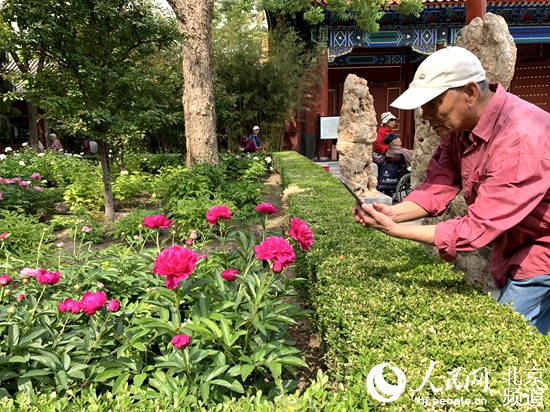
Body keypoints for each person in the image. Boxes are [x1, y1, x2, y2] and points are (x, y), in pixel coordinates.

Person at [353, 46, 550, 334]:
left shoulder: (519, 139)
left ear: (470, 92)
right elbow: (438, 184)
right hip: (516, 245)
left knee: (504, 340)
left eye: (433, 104)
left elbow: (476, 228)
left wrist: (395, 230)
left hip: (540, 249)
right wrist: (392, 213)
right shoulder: (462, 128)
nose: (425, 116)